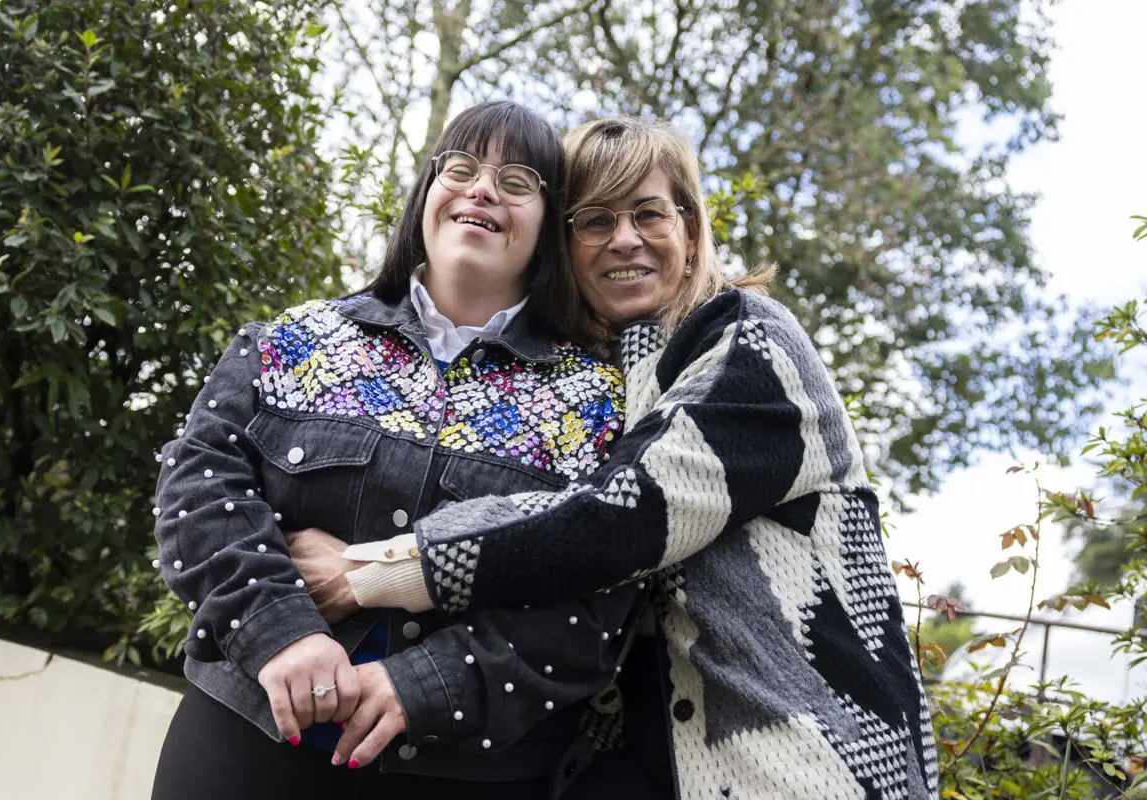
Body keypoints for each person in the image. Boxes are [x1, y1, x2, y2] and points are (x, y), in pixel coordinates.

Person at [314, 115, 940, 800]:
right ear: (565, 246)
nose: (624, 241)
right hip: (647, 759)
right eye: (594, 221)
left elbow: (623, 515)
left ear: (691, 229)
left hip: (810, 760)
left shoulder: (751, 345)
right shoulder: (607, 375)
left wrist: (374, 569)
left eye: (648, 215)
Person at [149, 100, 664, 800]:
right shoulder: (292, 340)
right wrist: (281, 633)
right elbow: (198, 491)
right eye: (461, 168)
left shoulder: (603, 405)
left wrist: (424, 685)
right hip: (245, 737)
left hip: (466, 772)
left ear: (548, 230)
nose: (482, 189)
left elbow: (592, 602)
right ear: (427, 194)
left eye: (517, 182)